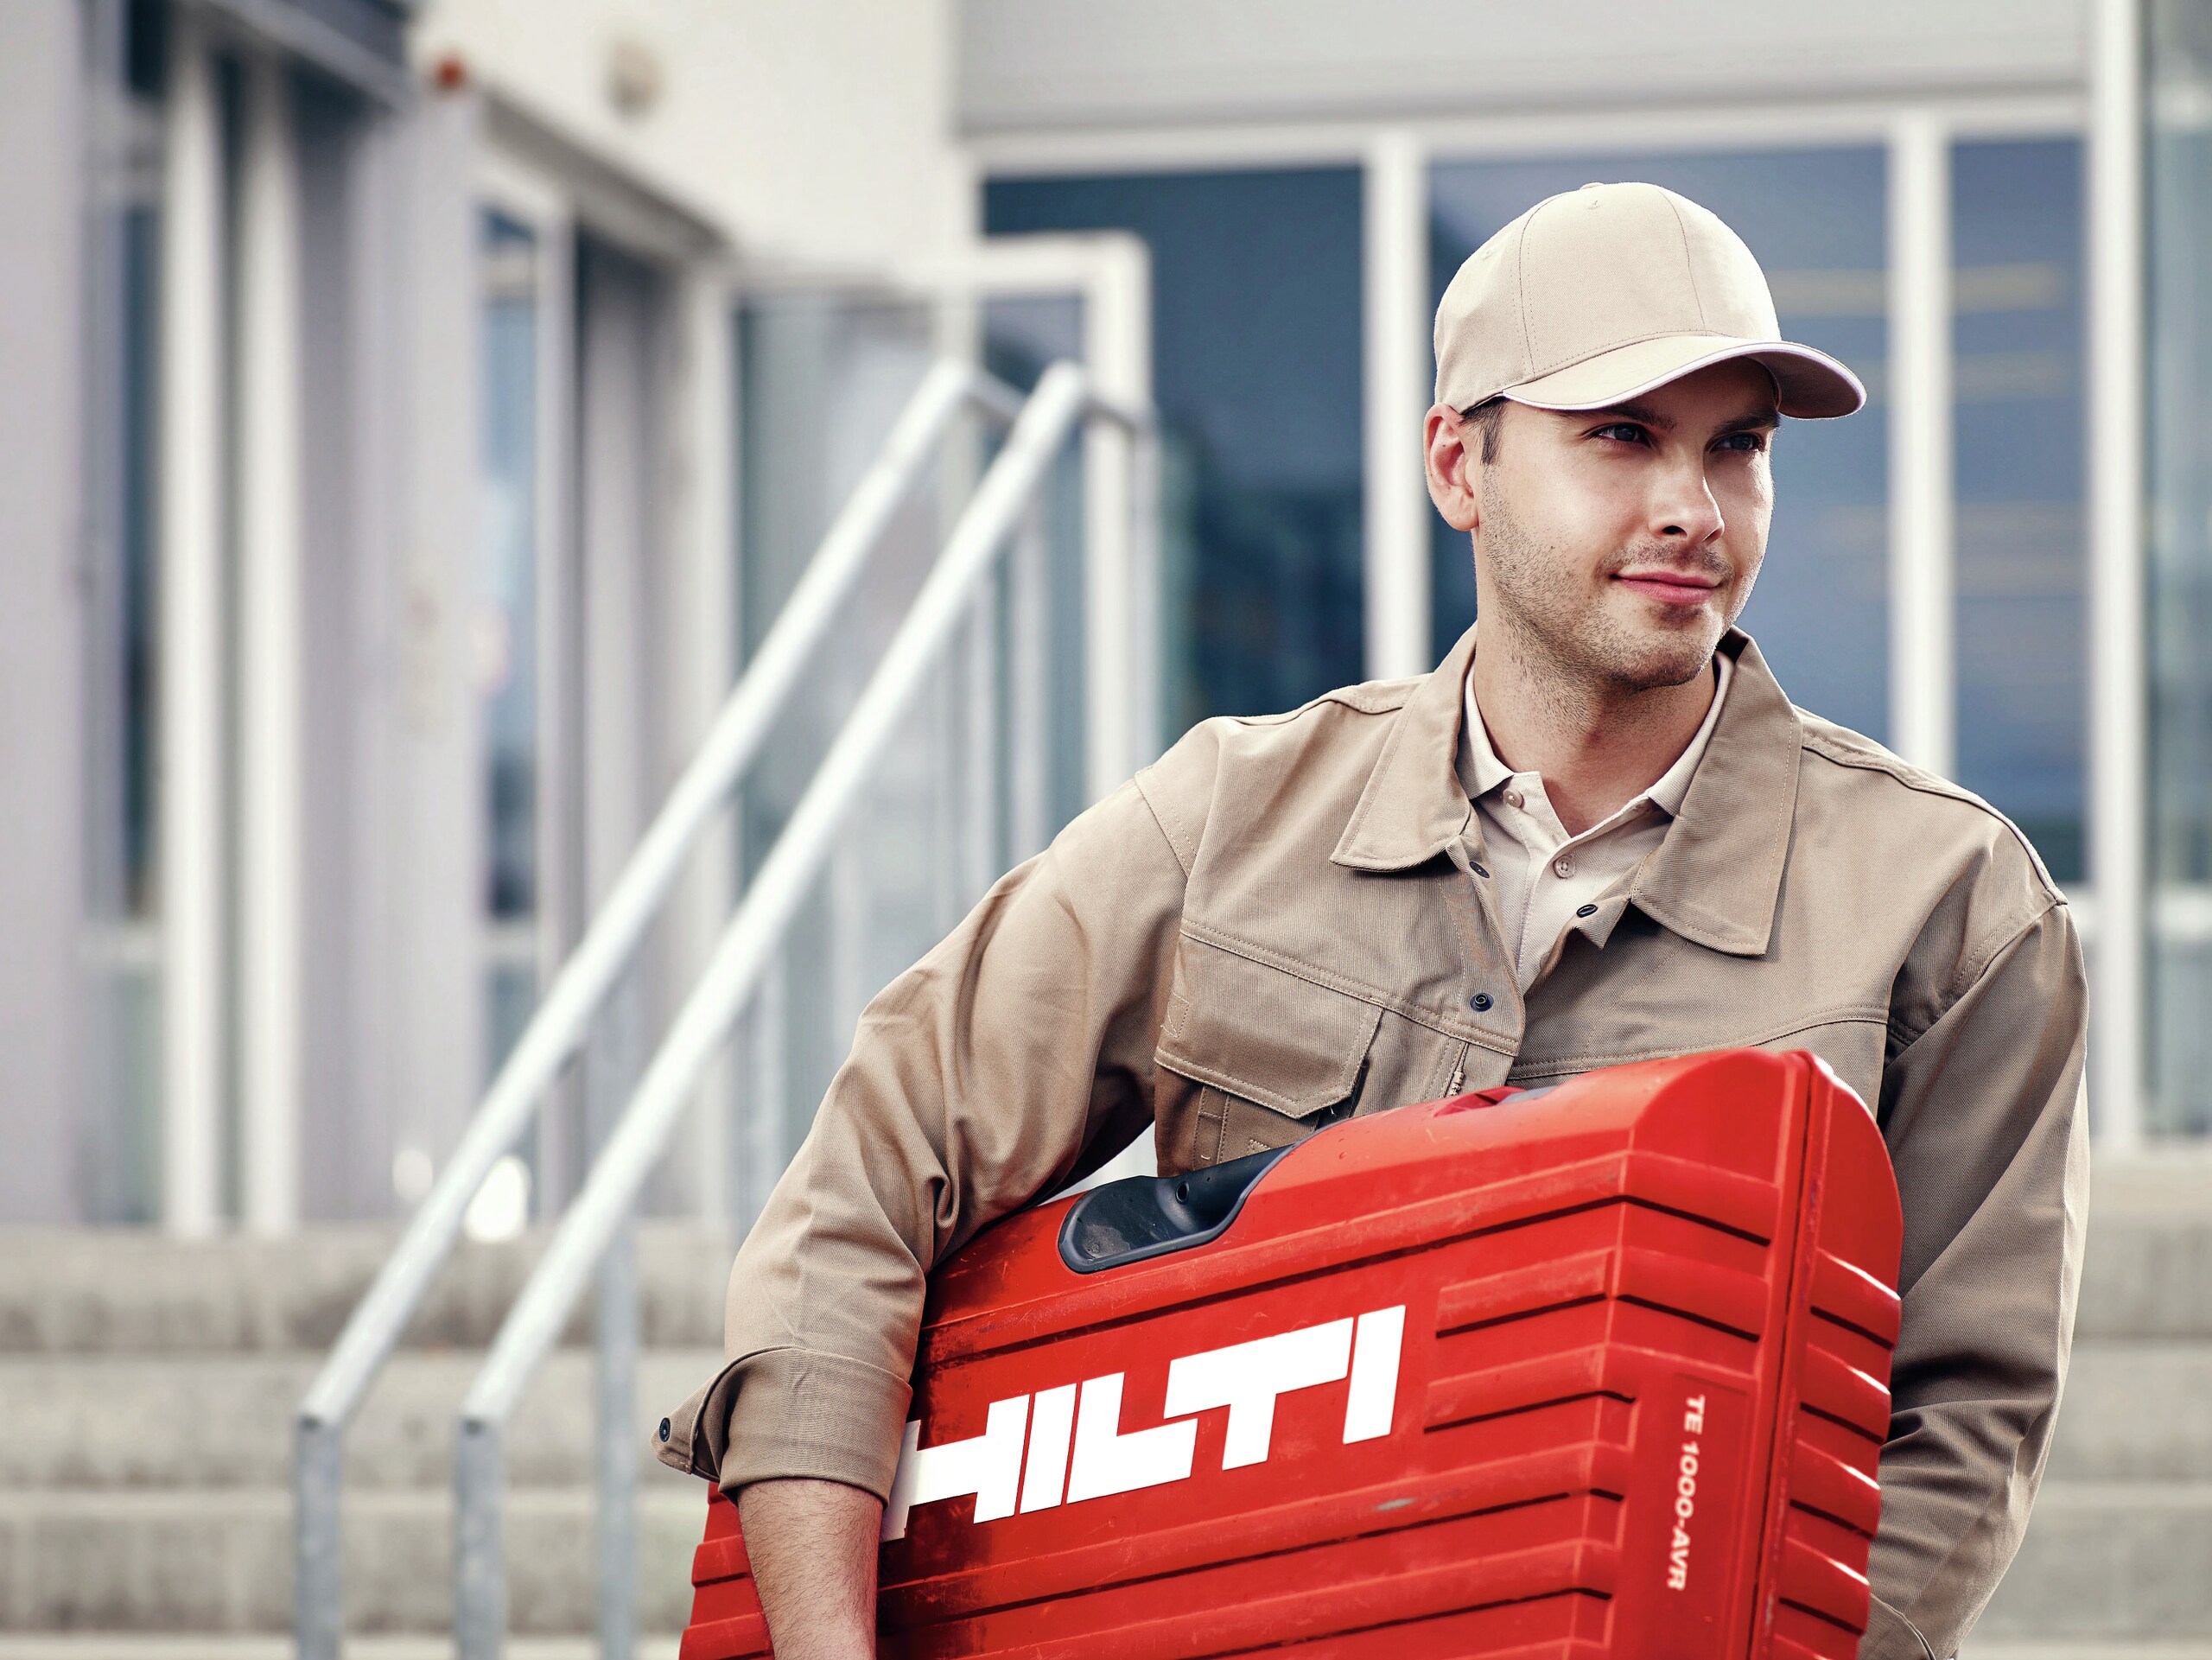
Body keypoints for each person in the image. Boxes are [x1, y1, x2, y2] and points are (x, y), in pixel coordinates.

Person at [657, 182, 2087, 1660]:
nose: (1693, 507)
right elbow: (868, 1183)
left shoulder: (1953, 908)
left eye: (1739, 445)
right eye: (1622, 435)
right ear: (1457, 465)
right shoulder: (1228, 823)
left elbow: (1960, 1435)